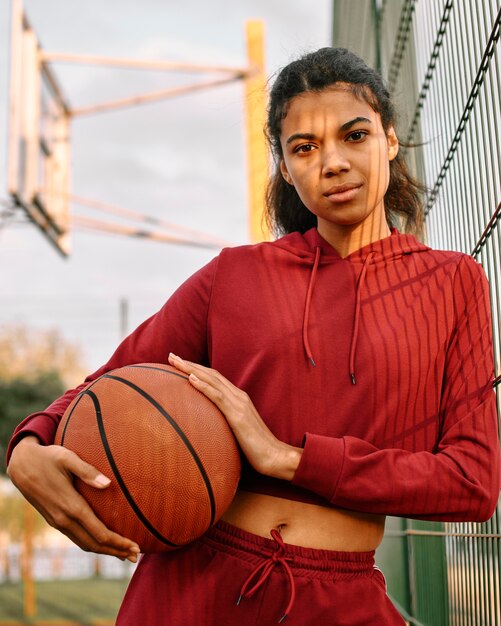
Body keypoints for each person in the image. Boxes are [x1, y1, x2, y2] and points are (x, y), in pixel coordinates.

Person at [7, 47, 500, 625]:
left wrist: (288, 459)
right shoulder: (233, 275)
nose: (333, 162)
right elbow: (111, 384)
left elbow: (472, 484)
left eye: (354, 136)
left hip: (341, 600)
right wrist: (28, 445)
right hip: (190, 588)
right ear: (286, 168)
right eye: (305, 148)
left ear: (389, 140)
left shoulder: (452, 283)